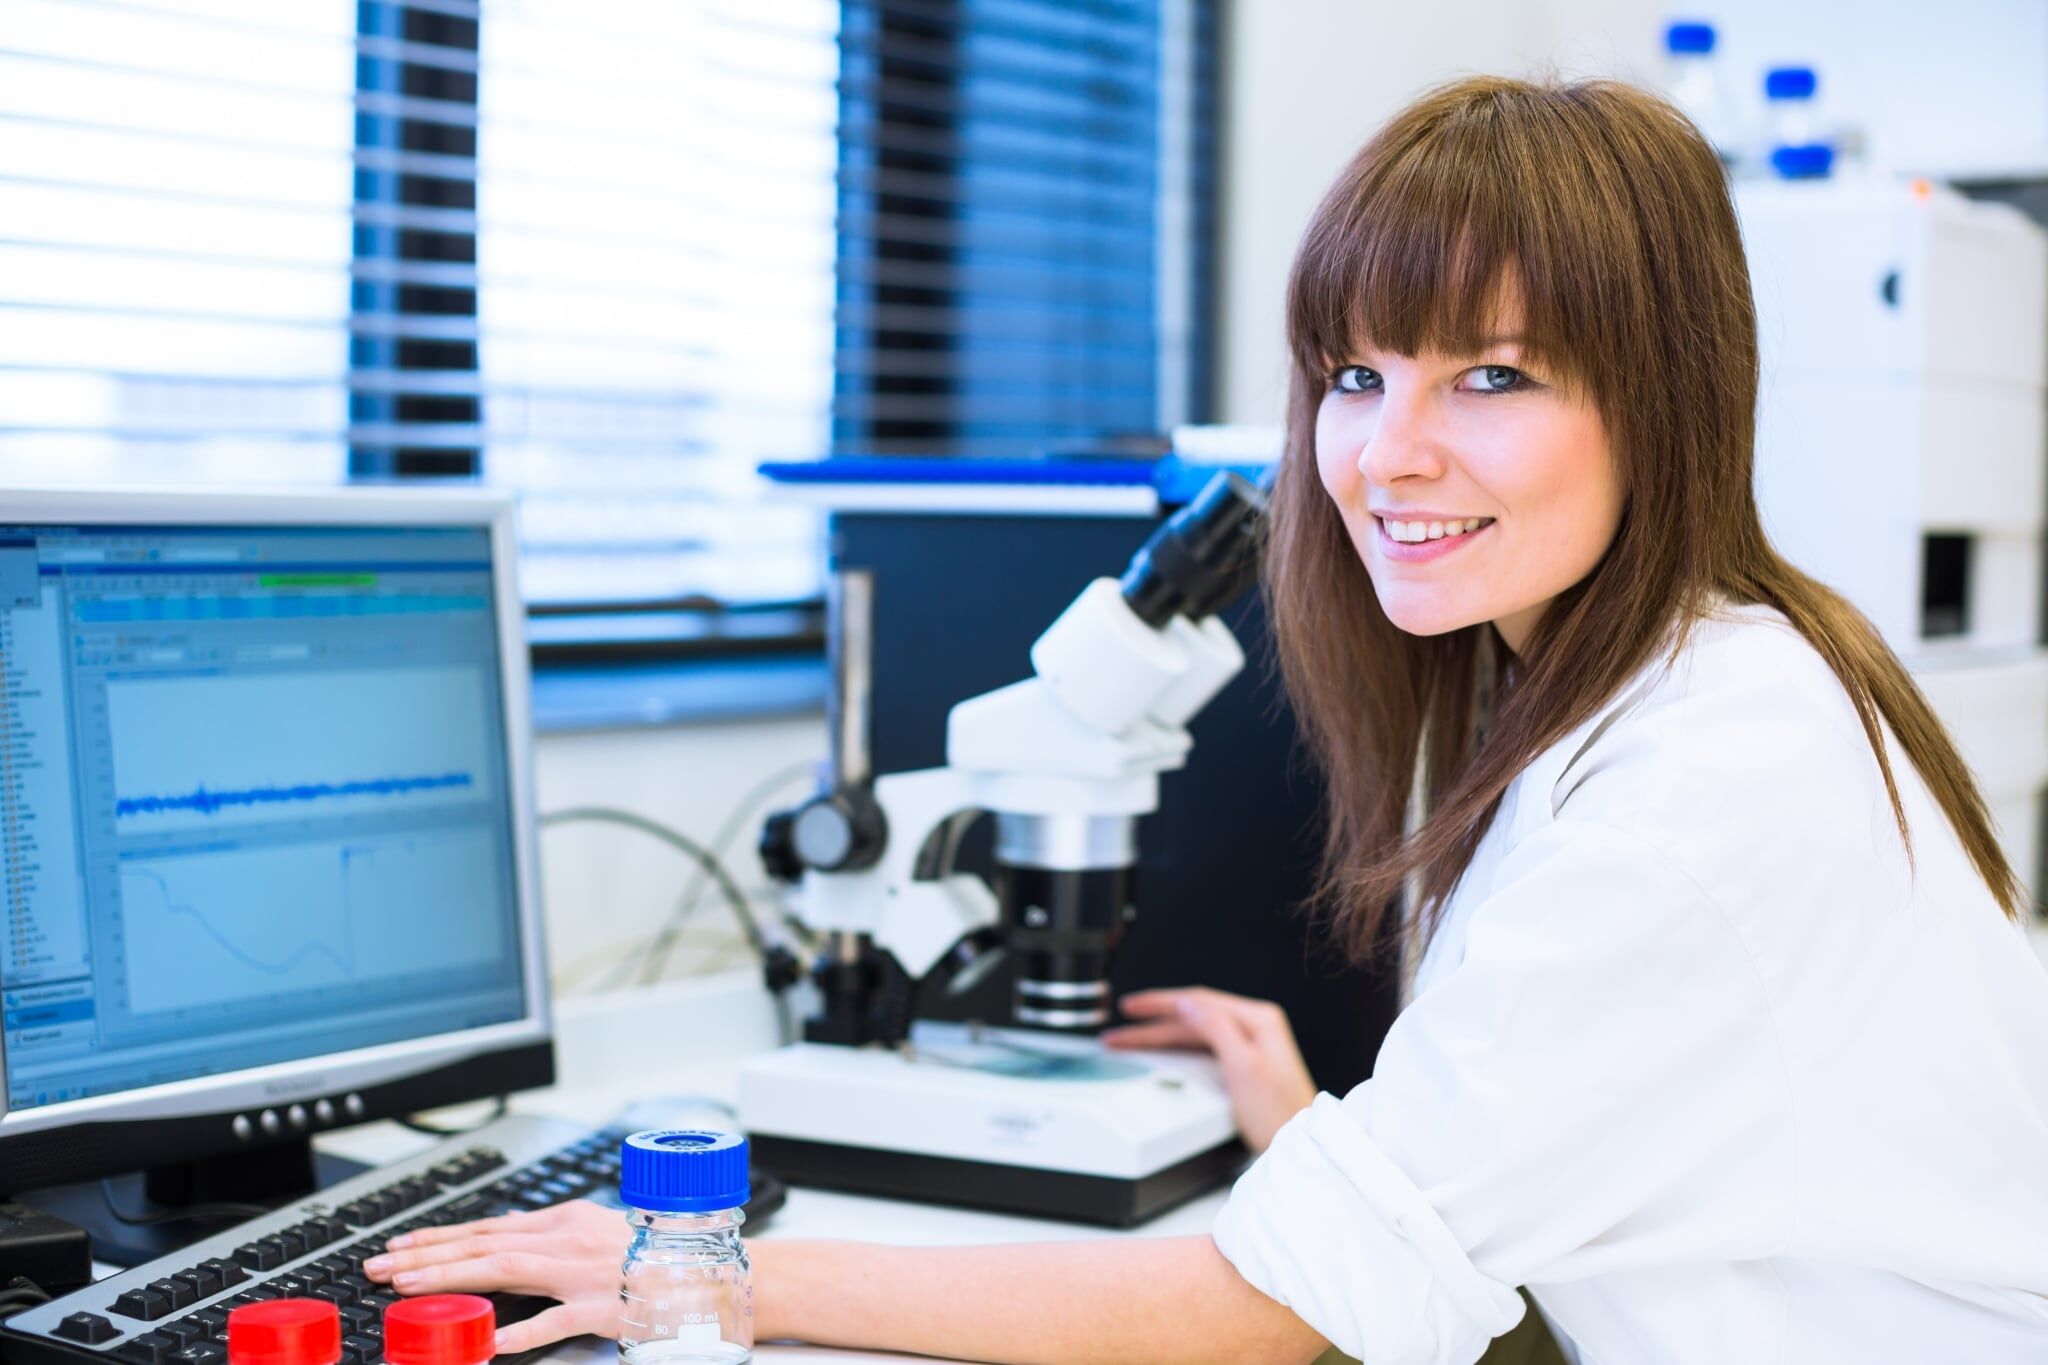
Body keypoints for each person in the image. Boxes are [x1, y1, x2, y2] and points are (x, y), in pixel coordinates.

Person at [362, 76, 2048, 1363]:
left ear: (1667, 391)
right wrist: (1333, 1143)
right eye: (1355, 374)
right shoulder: (1648, 678)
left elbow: (1269, 1314)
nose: (1386, 454)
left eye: (1495, 375)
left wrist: (698, 1268)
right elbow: (1591, 1161)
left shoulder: (1708, 772)